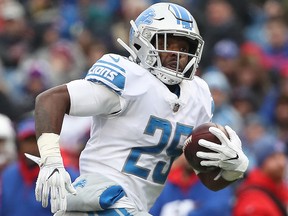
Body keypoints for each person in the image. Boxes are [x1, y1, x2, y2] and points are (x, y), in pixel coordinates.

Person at [30, 2, 248, 215]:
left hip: (135, 207)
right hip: (100, 200)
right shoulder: (129, 77)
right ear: (143, 42)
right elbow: (51, 99)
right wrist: (51, 159)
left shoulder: (198, 96)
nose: (177, 54)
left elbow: (207, 179)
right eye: (168, 43)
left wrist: (233, 169)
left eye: (184, 48)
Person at [0, 117, 79, 216]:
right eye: (27, 141)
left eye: (37, 141)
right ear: (19, 144)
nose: (32, 147)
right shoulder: (8, 176)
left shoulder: (66, 176)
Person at [149, 155, 234, 216]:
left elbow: (217, 209)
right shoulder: (169, 182)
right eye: (187, 152)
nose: (193, 157)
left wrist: (185, 213)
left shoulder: (215, 180)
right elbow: (153, 210)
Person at [233, 135, 288, 216]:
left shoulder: (279, 187)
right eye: (273, 157)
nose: (281, 163)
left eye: (282, 156)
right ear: (262, 163)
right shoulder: (252, 201)